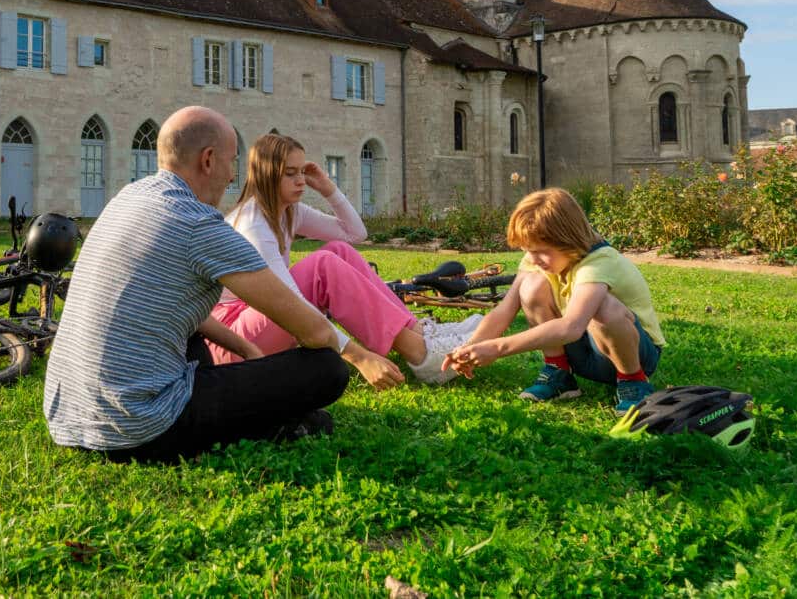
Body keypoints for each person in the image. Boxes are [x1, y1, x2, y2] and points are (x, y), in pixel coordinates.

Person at [43, 106, 404, 462]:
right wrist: (360, 357)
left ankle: (260, 417)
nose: (233, 176)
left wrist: (248, 350)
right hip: (137, 427)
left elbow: (186, 315)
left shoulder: (128, 199)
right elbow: (310, 328)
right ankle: (266, 425)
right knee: (327, 369)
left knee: (200, 348)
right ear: (208, 160)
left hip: (68, 416)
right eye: (232, 161)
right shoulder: (200, 224)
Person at [211, 133, 468, 384]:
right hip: (233, 343)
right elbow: (293, 307)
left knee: (338, 250)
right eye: (290, 173)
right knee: (322, 266)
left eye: (302, 172)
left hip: (260, 321)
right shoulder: (253, 226)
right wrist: (359, 357)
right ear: (266, 174)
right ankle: (420, 354)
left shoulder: (289, 212)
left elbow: (355, 233)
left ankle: (418, 333)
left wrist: (328, 188)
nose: (301, 180)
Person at [444, 187, 665, 412]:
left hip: (636, 353)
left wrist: (498, 348)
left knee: (602, 307)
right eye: (526, 250)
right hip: (583, 352)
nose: (532, 258)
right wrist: (470, 348)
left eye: (540, 251)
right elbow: (504, 310)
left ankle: (634, 381)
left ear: (568, 240)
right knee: (531, 286)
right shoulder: (541, 259)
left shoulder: (599, 262)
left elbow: (571, 327)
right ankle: (558, 373)